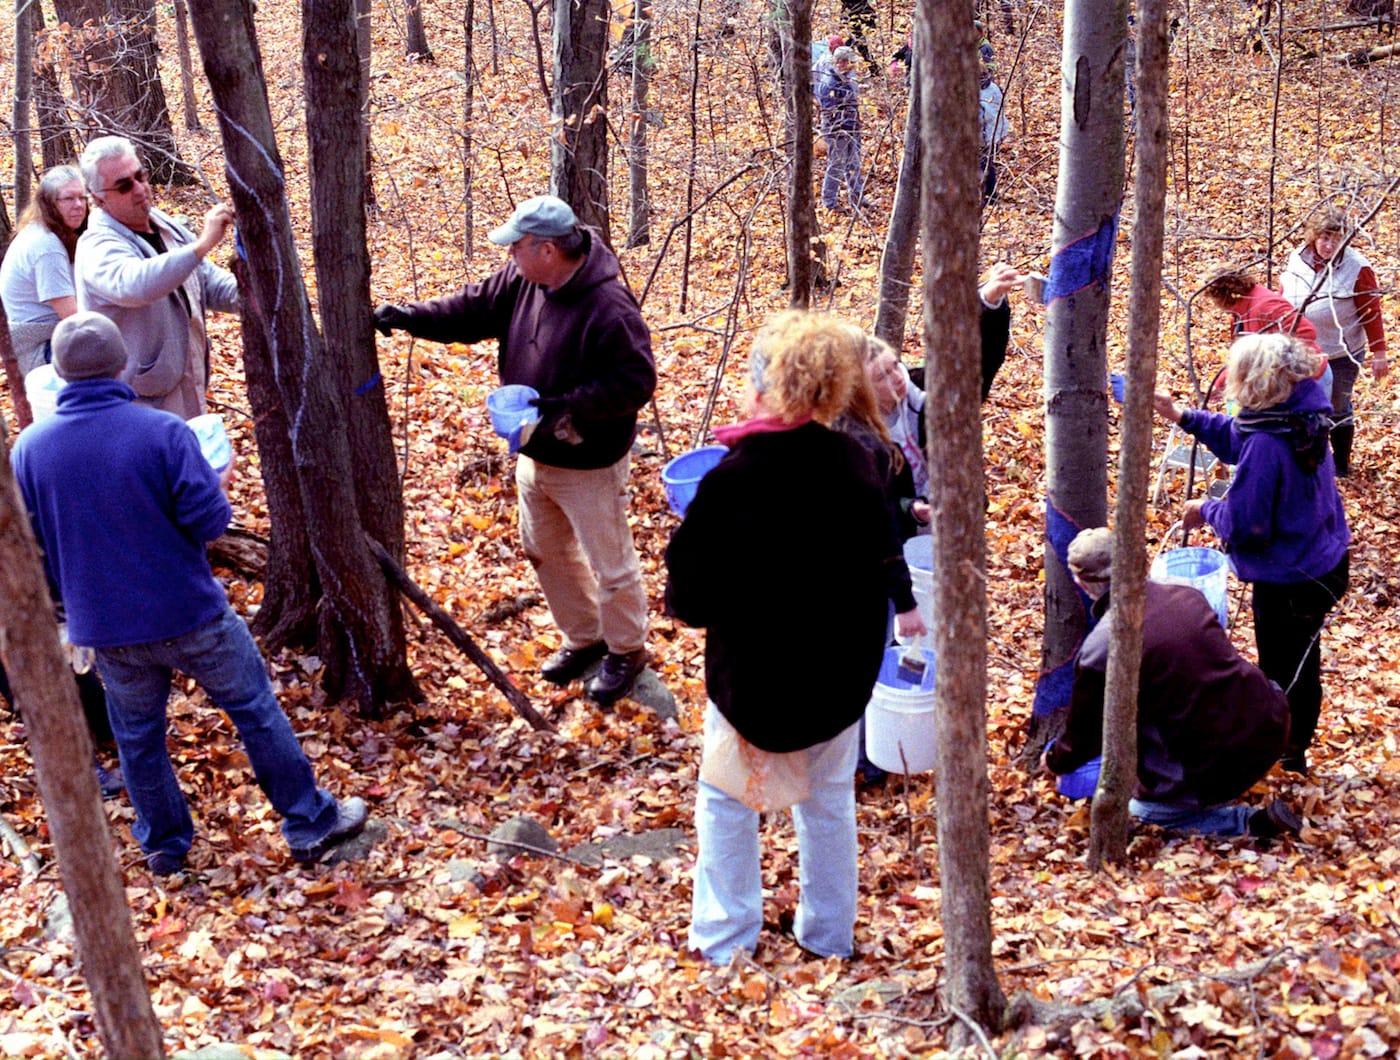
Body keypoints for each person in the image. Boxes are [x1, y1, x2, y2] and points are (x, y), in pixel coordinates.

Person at [12, 312, 368, 875]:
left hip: (104, 626)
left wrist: (67, 607)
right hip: (189, 613)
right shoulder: (163, 433)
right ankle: (308, 821)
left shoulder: (30, 450)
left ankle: (164, 844)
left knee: (139, 739)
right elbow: (209, 522)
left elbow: (31, 540)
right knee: (254, 710)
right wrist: (217, 481)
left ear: (59, 372)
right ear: (123, 364)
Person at [665, 310, 894, 962]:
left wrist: (688, 538)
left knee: (727, 804)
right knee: (828, 806)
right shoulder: (858, 462)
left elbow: (690, 600)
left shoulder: (735, 479)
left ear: (770, 387)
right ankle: (829, 939)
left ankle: (723, 943)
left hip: (757, 691)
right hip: (840, 686)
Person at [373, 196, 656, 705]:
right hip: (534, 449)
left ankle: (627, 651)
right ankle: (585, 638)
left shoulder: (608, 306)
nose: (510, 257)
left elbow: (635, 381)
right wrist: (409, 318)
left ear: (547, 250)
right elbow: (470, 309)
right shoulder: (524, 281)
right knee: (545, 550)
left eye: (517, 248)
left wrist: (559, 409)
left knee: (609, 563)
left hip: (589, 457)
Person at [1153, 334, 1349, 776]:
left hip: (1297, 577)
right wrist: (1182, 415)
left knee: (1287, 669)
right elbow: (1239, 435)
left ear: (1256, 382)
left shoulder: (1271, 439)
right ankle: (1287, 746)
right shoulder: (1299, 412)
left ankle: (1287, 755)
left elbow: (1248, 524)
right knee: (1297, 659)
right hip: (1322, 559)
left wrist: (1205, 509)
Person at [1044, 527, 1301, 839]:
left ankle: (1244, 822)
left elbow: (1084, 737)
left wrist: (1055, 760)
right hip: (1268, 725)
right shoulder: (1187, 593)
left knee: (1144, 813)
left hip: (1217, 760)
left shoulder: (1101, 649)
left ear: (1081, 583)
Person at [74, 136, 238, 420]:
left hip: (187, 385)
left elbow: (207, 282)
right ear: (98, 197)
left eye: (141, 176)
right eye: (124, 186)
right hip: (137, 405)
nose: (140, 190)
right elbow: (135, 285)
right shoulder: (96, 245)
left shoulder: (164, 224)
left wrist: (261, 295)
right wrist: (200, 246)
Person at [865, 262, 1024, 514]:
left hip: (958, 522)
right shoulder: (852, 432)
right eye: (882, 376)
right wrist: (909, 510)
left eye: (895, 365)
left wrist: (988, 302)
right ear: (861, 389)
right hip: (898, 542)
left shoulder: (921, 388)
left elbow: (976, 365)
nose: (897, 376)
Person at [1279, 208, 1389, 477]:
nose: (1329, 245)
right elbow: (1283, 295)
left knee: (1338, 405)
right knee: (1303, 404)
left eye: (1336, 239)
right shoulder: (1297, 258)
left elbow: (1371, 312)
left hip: (1340, 352)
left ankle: (1340, 464)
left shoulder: (1357, 268)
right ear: (1313, 237)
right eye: (1324, 238)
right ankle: (1309, 460)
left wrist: (1379, 352)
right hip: (1301, 350)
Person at [0, 166, 88, 375]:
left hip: (51, 339)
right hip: (36, 350)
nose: (78, 205)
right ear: (49, 204)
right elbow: (74, 317)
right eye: (68, 199)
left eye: (82, 198)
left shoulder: (54, 234)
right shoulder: (47, 247)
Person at [817, 47, 865, 215]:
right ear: (839, 62)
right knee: (836, 165)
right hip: (837, 131)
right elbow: (828, 112)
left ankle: (857, 197)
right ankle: (829, 202)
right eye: (848, 62)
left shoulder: (848, 78)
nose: (851, 66)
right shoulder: (828, 83)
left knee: (854, 163)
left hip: (852, 127)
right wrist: (840, 129)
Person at [978, 62, 1009, 207]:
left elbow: (982, 116)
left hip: (986, 136)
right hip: (994, 133)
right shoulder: (992, 87)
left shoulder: (984, 91)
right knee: (987, 165)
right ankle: (990, 195)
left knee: (983, 166)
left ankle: (989, 196)